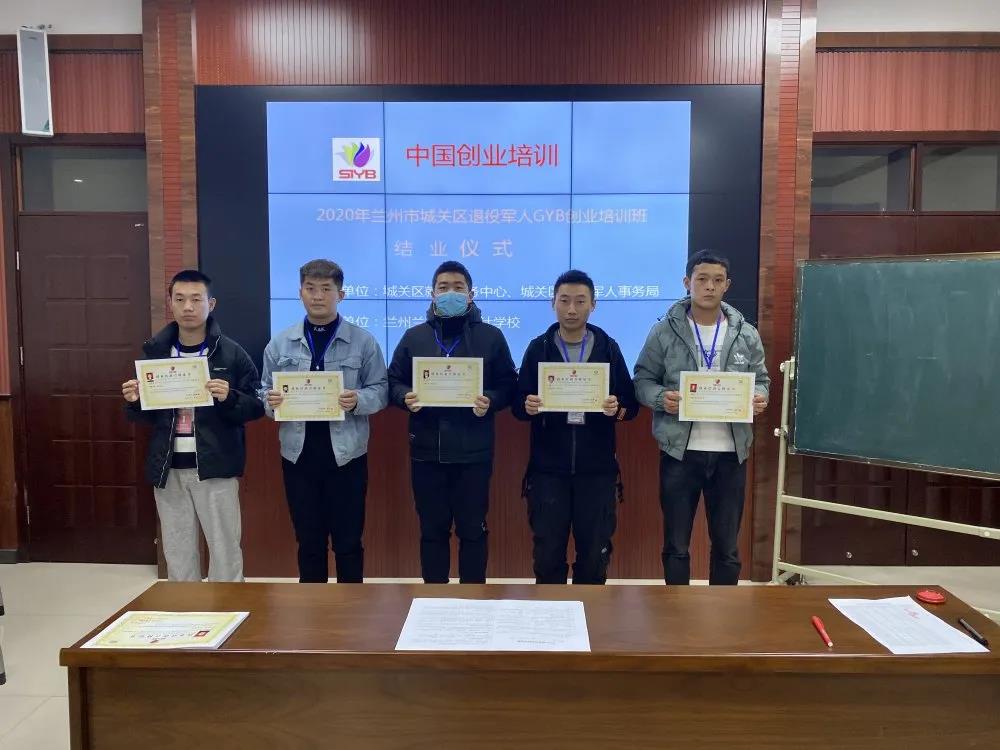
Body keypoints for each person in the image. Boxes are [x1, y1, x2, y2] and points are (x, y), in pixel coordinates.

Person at [634, 250, 770, 585]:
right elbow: (642, 380)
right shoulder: (664, 331)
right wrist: (660, 399)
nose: (709, 286)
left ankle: (722, 613)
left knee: (727, 548)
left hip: (731, 454)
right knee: (676, 546)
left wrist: (760, 397)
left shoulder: (746, 333)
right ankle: (676, 611)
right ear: (687, 282)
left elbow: (762, 380)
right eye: (702, 279)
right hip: (680, 453)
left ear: (727, 285)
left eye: (717, 280)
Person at [122, 269, 264, 581]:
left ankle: (228, 607)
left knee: (225, 550)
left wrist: (229, 397)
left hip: (216, 465)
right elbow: (144, 418)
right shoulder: (155, 352)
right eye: (180, 299)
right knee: (177, 551)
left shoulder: (231, 352)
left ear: (211, 304)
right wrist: (134, 400)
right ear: (170, 304)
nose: (188, 306)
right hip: (168, 466)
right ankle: (186, 609)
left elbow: (256, 406)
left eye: (196, 299)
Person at [387, 261, 517, 583]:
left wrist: (491, 400)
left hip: (474, 453)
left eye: (458, 288)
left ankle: (474, 600)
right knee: (432, 532)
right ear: (432, 294)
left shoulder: (491, 337)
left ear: (471, 295)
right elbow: (392, 381)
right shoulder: (415, 337)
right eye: (443, 287)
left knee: (473, 531)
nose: (450, 293)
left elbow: (509, 384)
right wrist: (404, 397)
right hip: (426, 452)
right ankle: (433, 599)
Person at [261, 259, 388, 583]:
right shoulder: (280, 343)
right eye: (310, 288)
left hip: (347, 456)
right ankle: (313, 608)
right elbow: (263, 390)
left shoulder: (363, 341)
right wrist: (270, 402)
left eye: (326, 289)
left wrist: (358, 400)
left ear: (340, 295)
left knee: (348, 543)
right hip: (298, 456)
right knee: (309, 543)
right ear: (300, 293)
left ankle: (352, 606)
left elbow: (380, 390)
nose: (318, 296)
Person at [512, 269, 639, 584]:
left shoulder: (608, 348)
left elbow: (630, 406)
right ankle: (551, 615)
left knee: (594, 556)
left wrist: (617, 408)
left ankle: (590, 612)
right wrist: (527, 406)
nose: (571, 309)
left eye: (580, 301)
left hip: (597, 471)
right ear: (552, 303)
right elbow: (517, 406)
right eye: (564, 300)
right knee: (547, 555)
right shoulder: (538, 348)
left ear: (593, 305)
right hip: (547, 471)